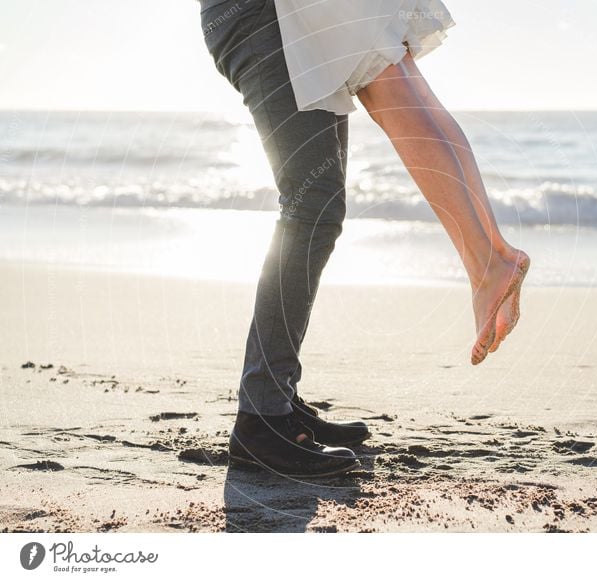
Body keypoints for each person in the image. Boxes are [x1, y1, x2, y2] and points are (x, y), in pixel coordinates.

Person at [198, 0, 529, 479]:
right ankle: (265, 414)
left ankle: (272, 405)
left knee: (319, 204)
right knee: (319, 199)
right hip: (268, 17)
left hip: (279, 18)